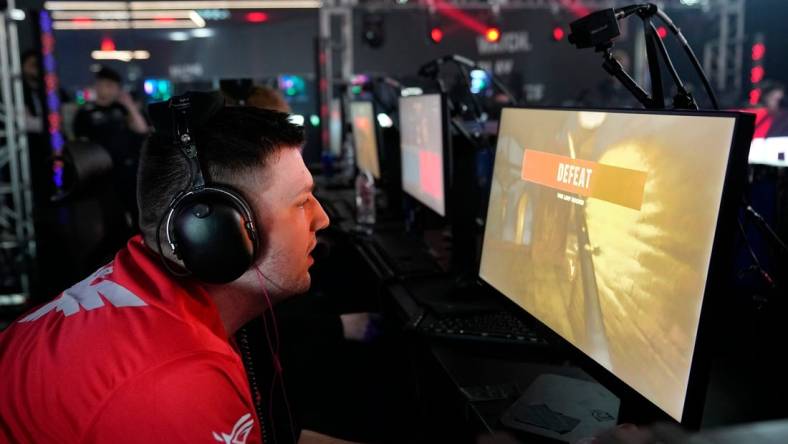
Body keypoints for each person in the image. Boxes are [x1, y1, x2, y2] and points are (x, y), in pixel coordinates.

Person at [0, 92, 356, 443]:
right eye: (301, 202)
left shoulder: (141, 280)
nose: (322, 218)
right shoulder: (174, 383)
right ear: (217, 231)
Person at [73, 66, 149, 229]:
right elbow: (79, 142)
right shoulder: (85, 112)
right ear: (97, 85)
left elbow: (142, 129)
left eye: (114, 86)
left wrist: (129, 106)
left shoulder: (121, 109)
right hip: (101, 172)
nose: (110, 90)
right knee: (109, 216)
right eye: (106, 85)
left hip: (127, 169)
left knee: (137, 212)